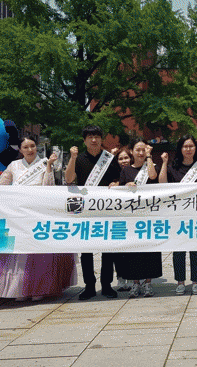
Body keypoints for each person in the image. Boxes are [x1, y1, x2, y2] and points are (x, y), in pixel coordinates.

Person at [0, 137, 77, 300]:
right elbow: (0, 185)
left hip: (38, 213)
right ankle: (19, 289)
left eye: (32, 146)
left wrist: (49, 166)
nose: (30, 150)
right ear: (20, 150)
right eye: (26, 147)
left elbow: (49, 187)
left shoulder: (44, 163)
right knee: (19, 253)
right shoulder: (14, 165)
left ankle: (38, 289)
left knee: (38, 252)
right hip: (18, 214)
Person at [65, 125, 122, 300]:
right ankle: (89, 286)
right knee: (86, 251)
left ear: (101, 139)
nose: (94, 140)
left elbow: (119, 178)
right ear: (84, 140)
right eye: (90, 137)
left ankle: (107, 285)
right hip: (86, 210)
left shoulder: (109, 159)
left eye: (97, 136)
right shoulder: (79, 158)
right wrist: (72, 158)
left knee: (108, 250)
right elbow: (69, 179)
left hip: (106, 209)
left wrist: (117, 183)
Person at [159, 135, 197, 295]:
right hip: (178, 214)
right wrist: (164, 163)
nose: (188, 149)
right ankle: (180, 282)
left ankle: (196, 281)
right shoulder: (173, 167)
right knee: (178, 250)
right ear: (180, 149)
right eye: (185, 146)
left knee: (196, 249)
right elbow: (162, 183)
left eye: (191, 146)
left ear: (195, 148)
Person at [116, 139, 161, 298]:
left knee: (150, 250)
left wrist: (149, 157)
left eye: (144, 150)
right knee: (133, 250)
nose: (141, 153)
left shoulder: (152, 166)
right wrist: (125, 186)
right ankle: (135, 283)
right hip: (133, 216)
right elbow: (120, 191)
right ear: (132, 151)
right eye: (138, 150)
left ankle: (148, 283)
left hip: (150, 214)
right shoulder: (126, 170)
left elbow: (153, 176)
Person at [114, 147, 134, 292]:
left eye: (126, 158)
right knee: (118, 250)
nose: (123, 161)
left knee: (131, 249)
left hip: (133, 217)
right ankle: (120, 277)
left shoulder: (135, 171)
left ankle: (132, 277)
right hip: (118, 217)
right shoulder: (113, 173)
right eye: (120, 159)